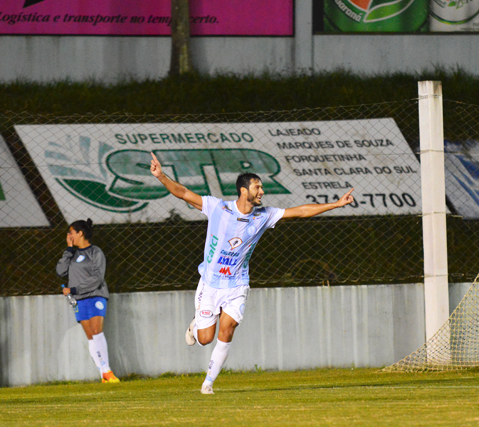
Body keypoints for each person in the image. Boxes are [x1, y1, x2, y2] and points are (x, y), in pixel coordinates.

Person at [150, 152, 354, 394]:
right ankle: (196, 326)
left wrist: (336, 204)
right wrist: (161, 176)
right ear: (243, 191)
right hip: (211, 284)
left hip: (237, 285)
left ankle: (208, 384)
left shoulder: (264, 215)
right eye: (257, 187)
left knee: (228, 329)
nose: (262, 192)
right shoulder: (218, 208)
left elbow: (301, 211)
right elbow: (183, 193)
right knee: (205, 339)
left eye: (262, 187)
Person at [56, 218, 120, 383]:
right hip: (78, 300)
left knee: (97, 330)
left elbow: (98, 278)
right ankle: (103, 375)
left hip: (96, 295)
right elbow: (60, 271)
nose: (68, 235)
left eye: (71, 232)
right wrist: (68, 250)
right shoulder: (72, 254)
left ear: (80, 233)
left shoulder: (95, 252)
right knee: (90, 335)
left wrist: (74, 289)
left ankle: (107, 371)